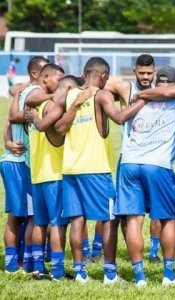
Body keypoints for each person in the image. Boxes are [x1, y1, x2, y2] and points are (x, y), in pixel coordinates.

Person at [33, 57, 146, 283]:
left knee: (77, 220)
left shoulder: (68, 96)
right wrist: (144, 99)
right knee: (110, 220)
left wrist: (71, 107)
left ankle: (80, 273)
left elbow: (57, 127)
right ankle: (110, 274)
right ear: (103, 76)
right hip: (96, 168)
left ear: (85, 74)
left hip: (71, 169)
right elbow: (120, 117)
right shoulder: (101, 95)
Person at [115, 66, 175, 286]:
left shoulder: (140, 98)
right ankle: (168, 275)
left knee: (133, 220)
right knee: (167, 220)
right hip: (158, 165)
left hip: (129, 163)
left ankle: (140, 277)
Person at [25, 73, 93, 281]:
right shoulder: (54, 111)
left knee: (39, 222)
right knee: (58, 224)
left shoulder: (35, 111)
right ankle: (57, 272)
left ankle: (38, 268)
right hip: (55, 175)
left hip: (37, 174)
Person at [105, 54, 162, 263]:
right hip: (128, 157)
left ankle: (154, 251)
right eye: (142, 72)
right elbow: (95, 85)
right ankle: (133, 254)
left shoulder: (162, 88)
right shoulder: (124, 88)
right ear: (134, 71)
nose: (146, 76)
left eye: (149, 72)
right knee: (126, 213)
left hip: (155, 158)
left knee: (156, 211)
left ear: (154, 70)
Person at [1, 56, 49, 274]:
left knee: (28, 214)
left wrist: (7, 141)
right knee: (21, 215)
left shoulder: (26, 92)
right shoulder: (36, 94)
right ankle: (15, 264)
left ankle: (23, 260)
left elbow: (9, 122)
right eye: (47, 72)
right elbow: (12, 119)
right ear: (36, 74)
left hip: (26, 162)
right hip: (19, 162)